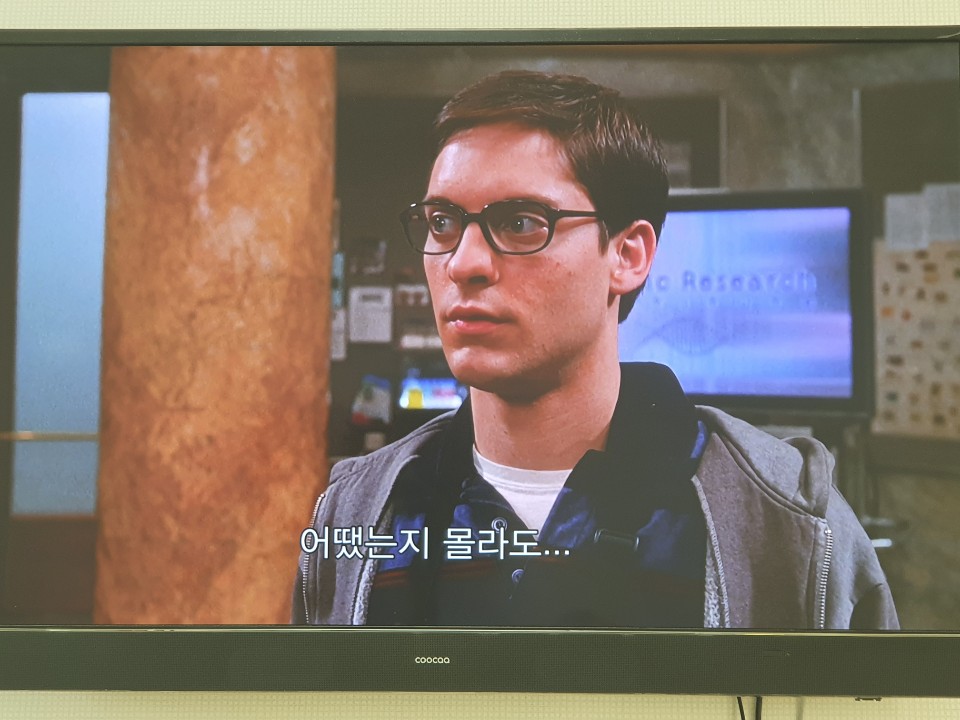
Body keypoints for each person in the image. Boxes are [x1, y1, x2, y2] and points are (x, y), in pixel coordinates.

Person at [293, 70, 898, 629]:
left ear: (628, 255)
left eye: (521, 222)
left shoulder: (789, 519)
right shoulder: (356, 510)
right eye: (443, 223)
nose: (463, 262)